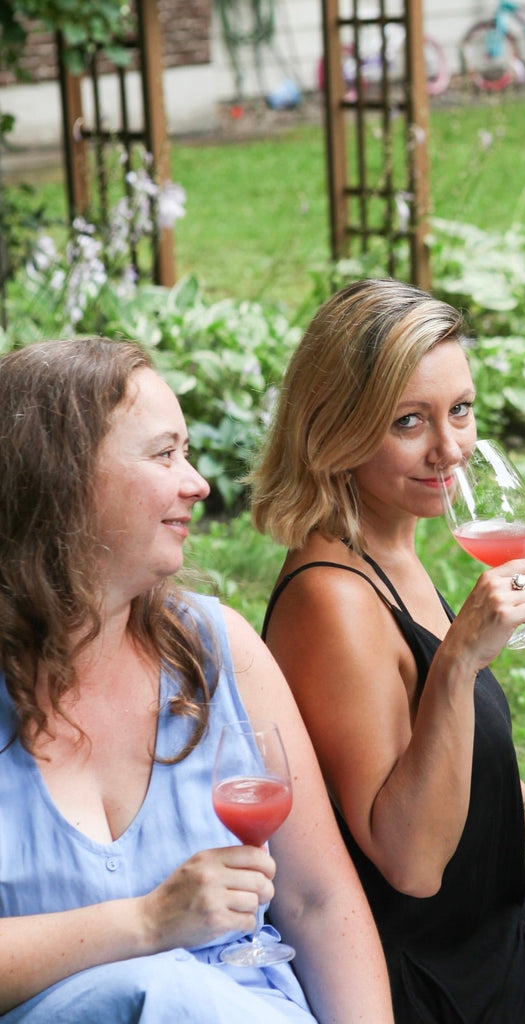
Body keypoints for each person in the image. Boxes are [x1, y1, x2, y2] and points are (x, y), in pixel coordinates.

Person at [248, 278, 525, 1024]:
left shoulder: (388, 553)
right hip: (442, 980)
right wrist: (457, 662)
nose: (450, 448)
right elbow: (411, 863)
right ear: (336, 430)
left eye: (461, 410)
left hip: (495, 922)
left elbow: (466, 775)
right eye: (409, 422)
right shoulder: (333, 602)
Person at [0, 337, 393, 1024]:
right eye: (164, 455)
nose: (198, 483)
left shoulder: (218, 650)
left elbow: (318, 902)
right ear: (61, 482)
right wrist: (149, 922)